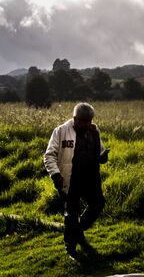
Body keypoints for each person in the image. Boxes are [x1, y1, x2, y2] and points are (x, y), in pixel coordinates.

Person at [44, 102, 109, 259]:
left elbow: (99, 149)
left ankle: (78, 232)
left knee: (98, 203)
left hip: (91, 178)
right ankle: (71, 249)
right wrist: (55, 174)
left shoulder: (94, 130)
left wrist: (103, 156)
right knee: (71, 214)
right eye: (84, 121)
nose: (87, 124)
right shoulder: (61, 131)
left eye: (90, 120)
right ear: (75, 119)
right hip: (69, 179)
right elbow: (49, 155)